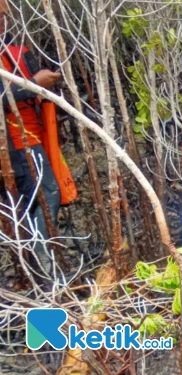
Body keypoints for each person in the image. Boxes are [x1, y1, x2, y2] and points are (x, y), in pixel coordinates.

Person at [0, 1, 62, 274]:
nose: (4, 20)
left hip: (28, 134)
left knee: (29, 202)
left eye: (4, 15)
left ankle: (35, 271)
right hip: (16, 141)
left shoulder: (11, 42)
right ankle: (43, 272)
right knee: (47, 195)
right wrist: (34, 84)